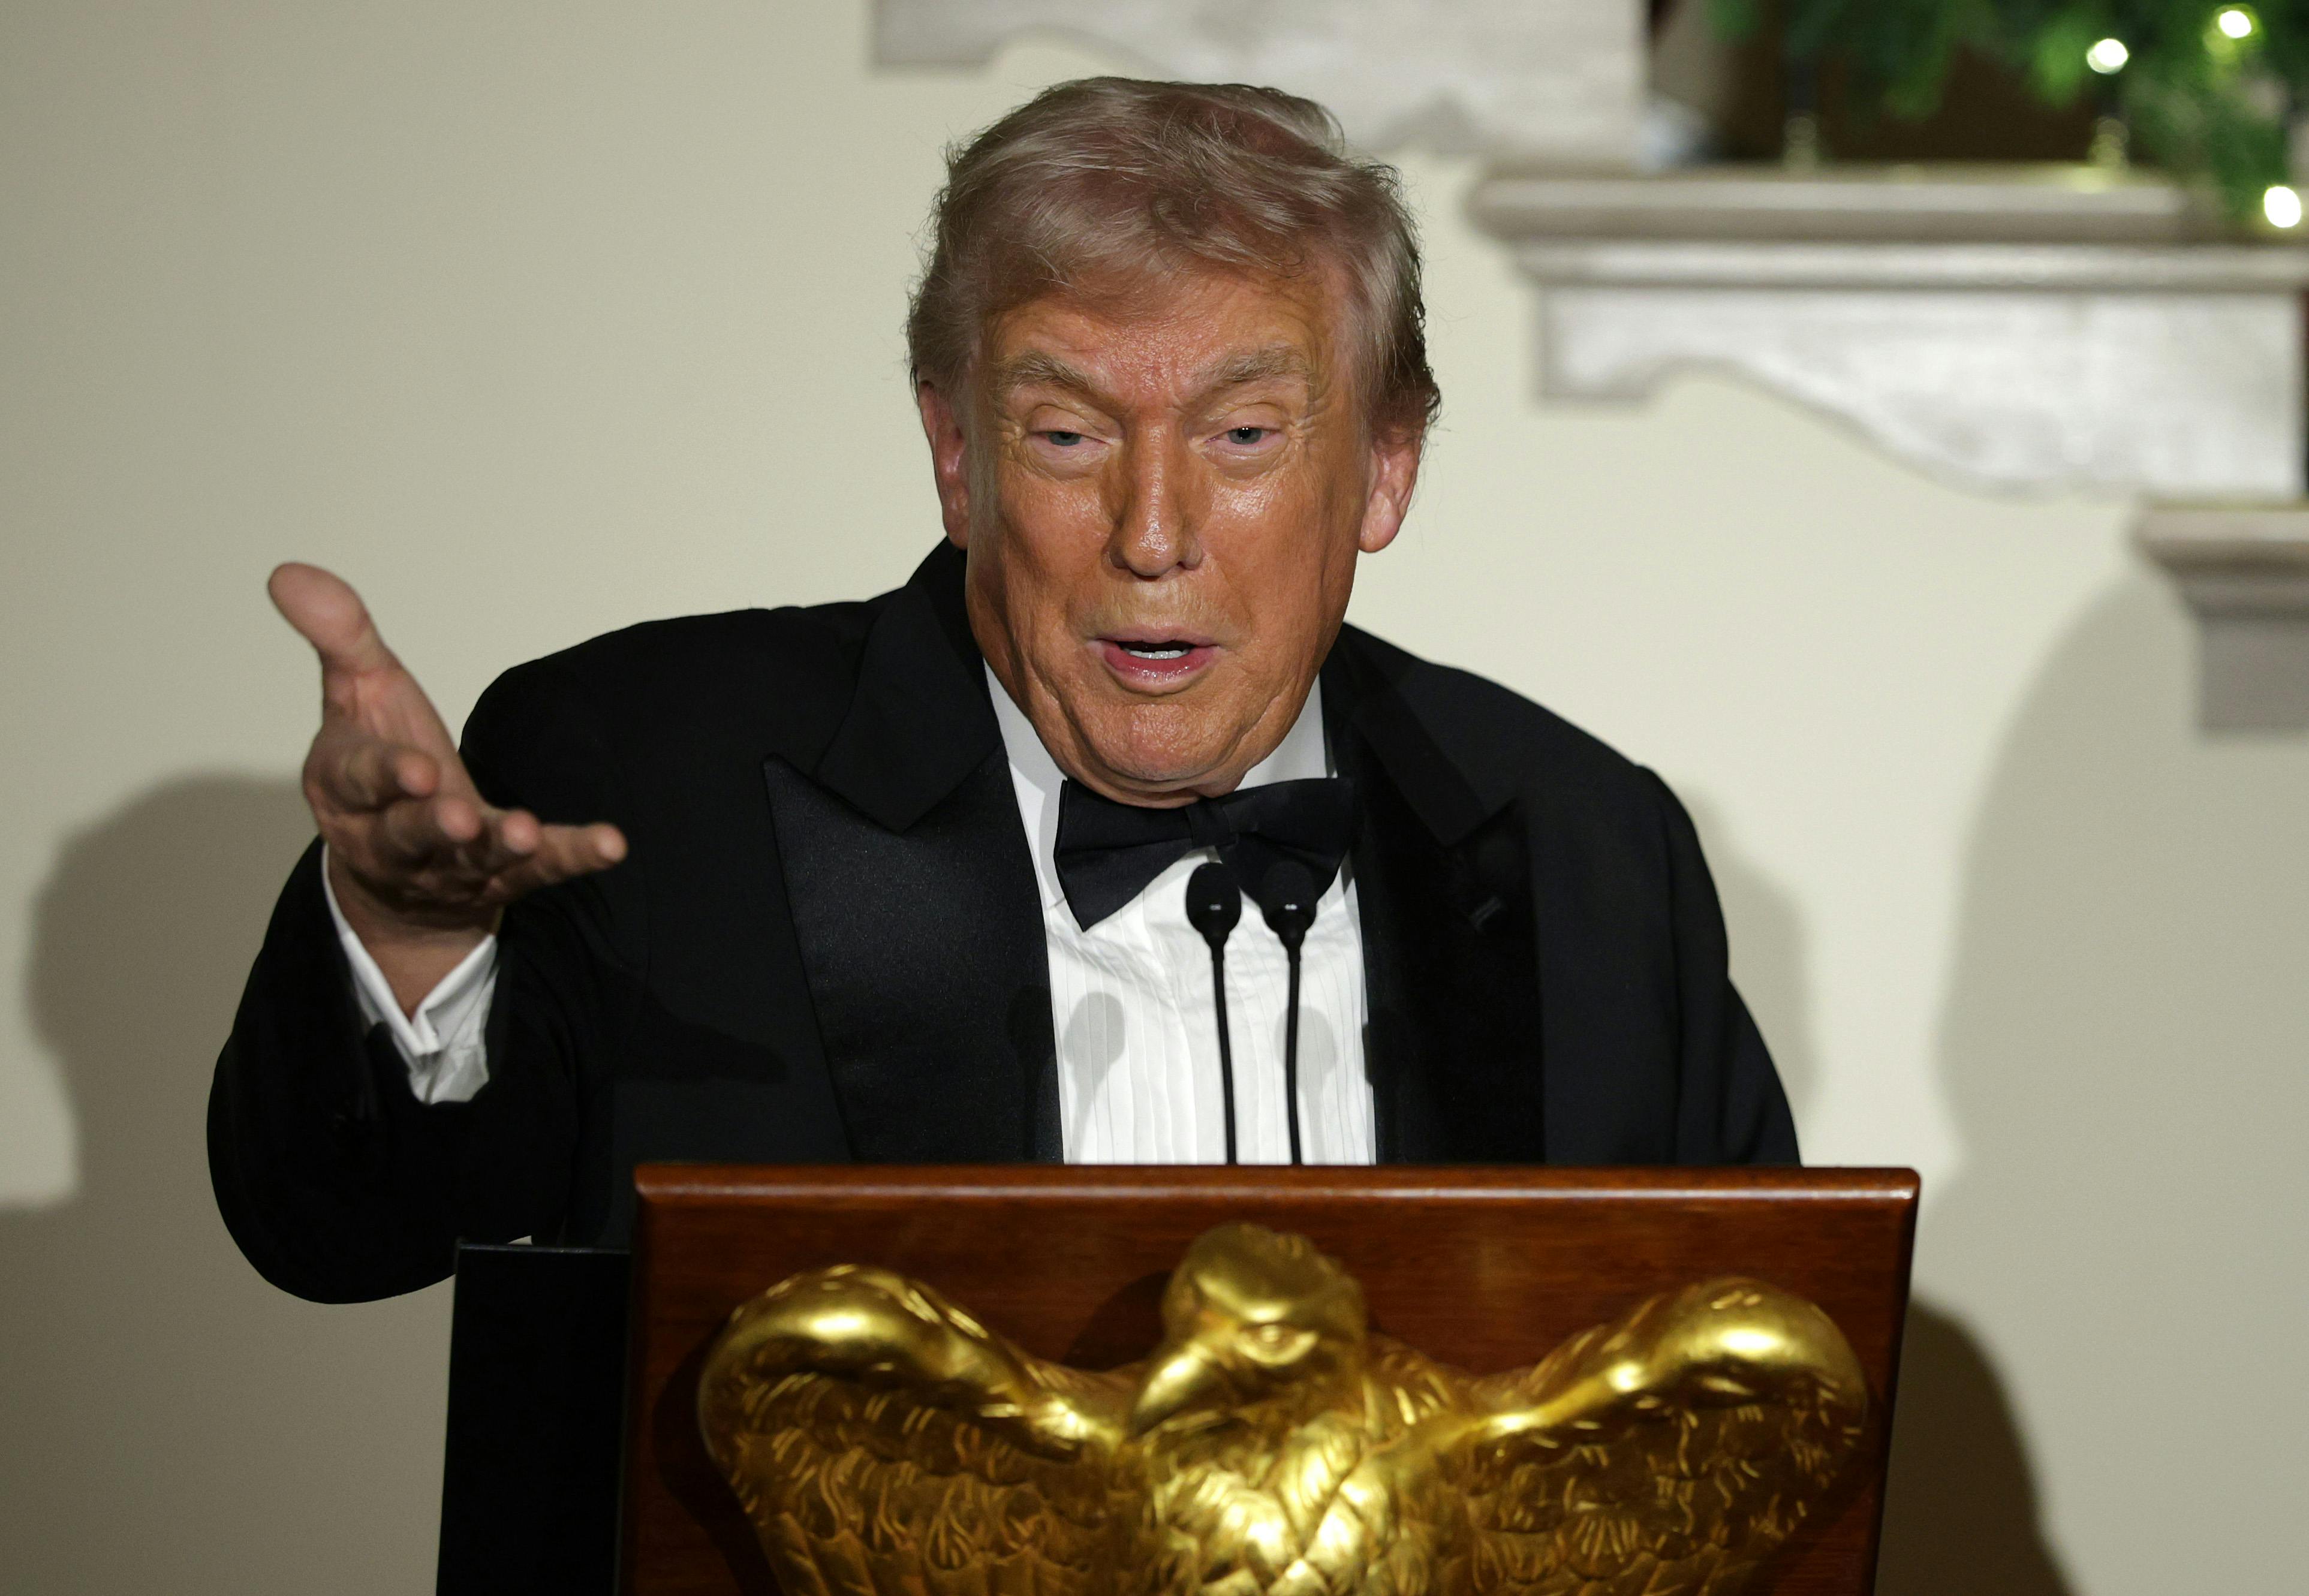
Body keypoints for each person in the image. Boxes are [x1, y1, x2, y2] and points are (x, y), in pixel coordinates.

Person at [209, 77, 1795, 1305]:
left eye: (1242, 438)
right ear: (956, 456)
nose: (1152, 532)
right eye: (1066, 435)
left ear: (1385, 469)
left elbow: (1739, 1414)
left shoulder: (1591, 849)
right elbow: (335, 1235)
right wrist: (413, 944)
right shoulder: (640, 772)